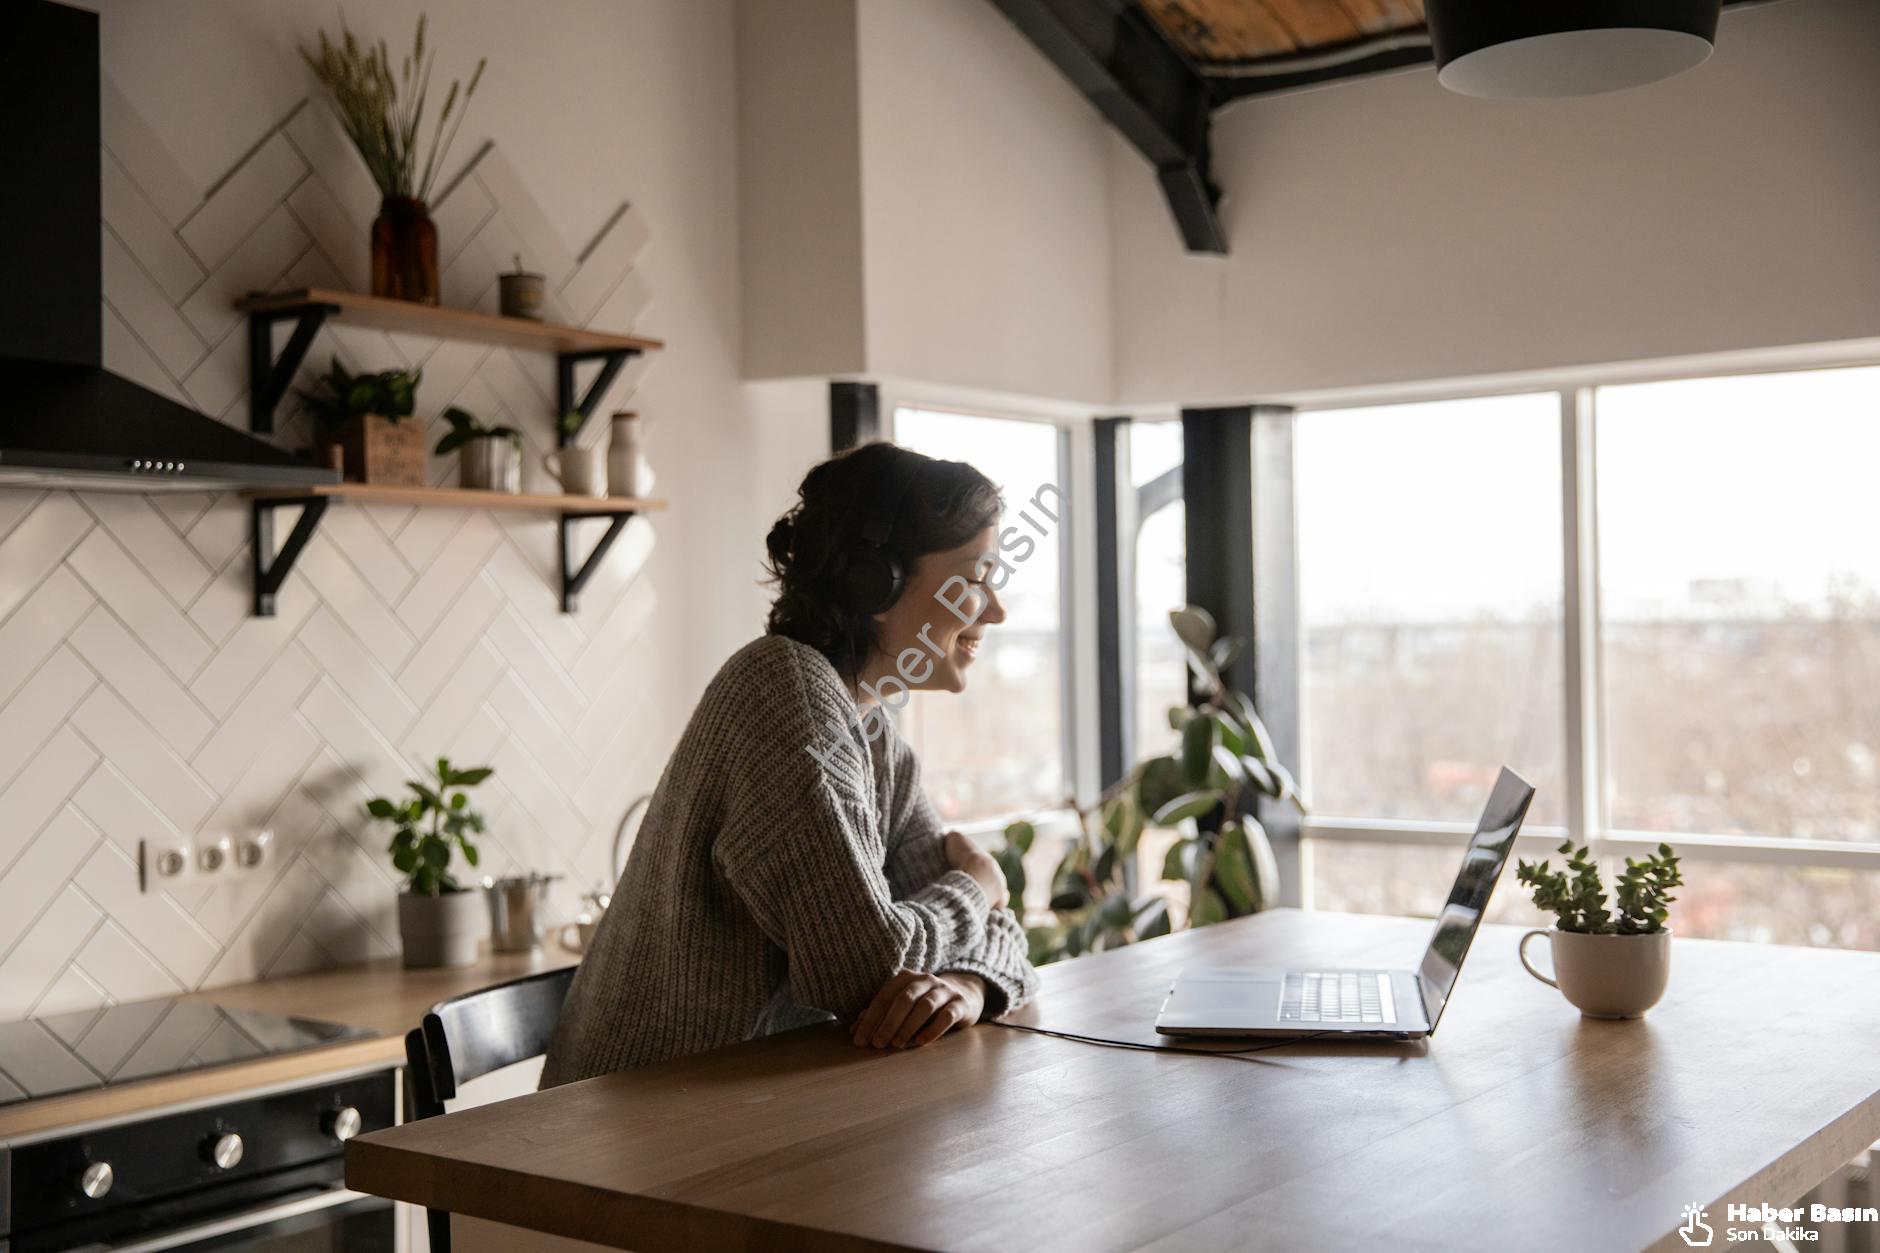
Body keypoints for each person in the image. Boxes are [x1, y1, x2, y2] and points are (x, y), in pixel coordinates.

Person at [541, 441, 1041, 1085]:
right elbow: (867, 971)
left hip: (736, 1107)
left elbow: (995, 938)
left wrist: (969, 984)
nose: (996, 609)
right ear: (876, 582)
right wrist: (979, 885)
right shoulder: (784, 693)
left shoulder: (876, 737)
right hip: (628, 1120)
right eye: (975, 579)